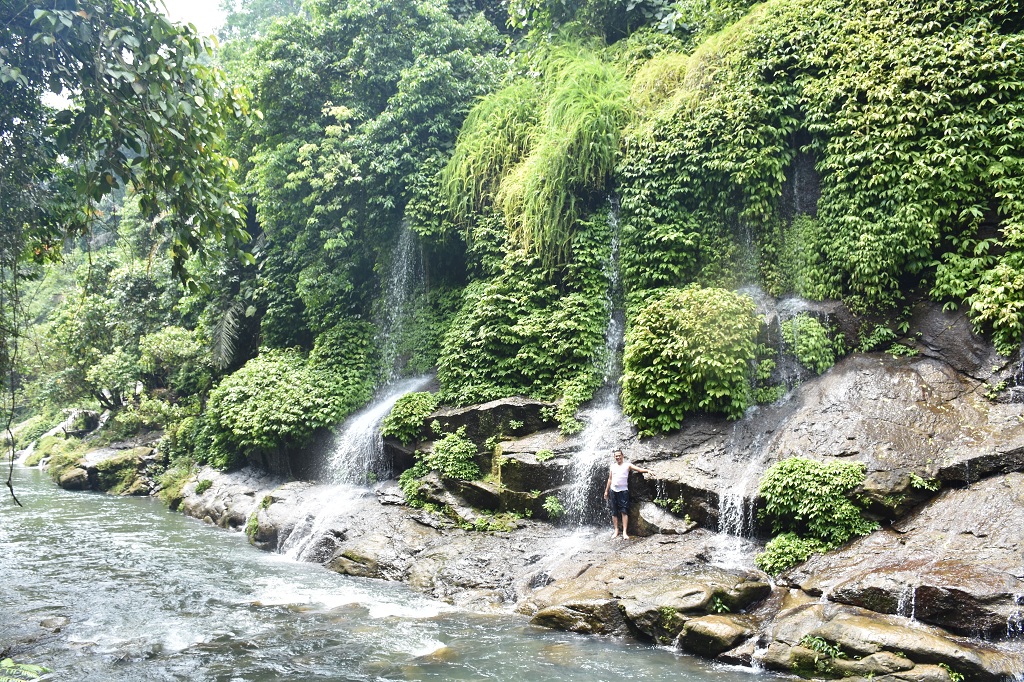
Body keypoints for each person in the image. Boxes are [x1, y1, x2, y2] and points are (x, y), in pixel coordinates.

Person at [603, 449, 651, 540]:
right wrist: (606, 491)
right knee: (614, 511)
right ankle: (616, 530)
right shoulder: (612, 466)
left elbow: (639, 469)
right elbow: (610, 479)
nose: (618, 457)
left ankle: (624, 532)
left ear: (622, 456)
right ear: (614, 457)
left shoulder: (627, 465)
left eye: (619, 455)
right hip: (613, 490)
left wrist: (647, 471)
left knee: (624, 511)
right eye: (616, 456)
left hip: (623, 490)